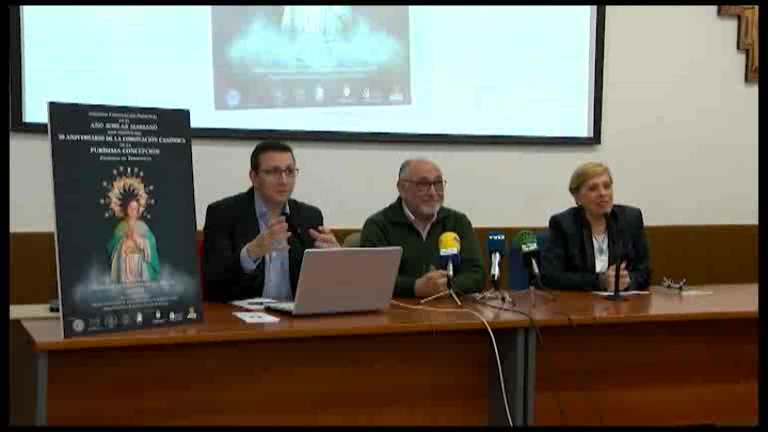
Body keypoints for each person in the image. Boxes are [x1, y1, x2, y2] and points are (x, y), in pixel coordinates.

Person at [202, 140, 340, 303]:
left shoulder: (309, 217)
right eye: (273, 172)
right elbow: (213, 285)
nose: (283, 180)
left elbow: (320, 287)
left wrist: (336, 260)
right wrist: (250, 254)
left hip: (295, 319)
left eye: (289, 171)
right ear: (254, 177)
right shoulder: (223, 214)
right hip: (242, 319)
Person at [360, 159, 484, 298]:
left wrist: (446, 286)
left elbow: (476, 275)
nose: (432, 193)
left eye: (438, 184)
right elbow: (375, 280)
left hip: (450, 311)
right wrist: (415, 287)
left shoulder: (457, 222)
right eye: (423, 184)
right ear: (402, 188)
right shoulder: (378, 226)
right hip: (398, 314)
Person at [540, 162, 651, 292]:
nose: (603, 193)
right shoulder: (563, 224)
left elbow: (644, 272)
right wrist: (600, 281)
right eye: (593, 188)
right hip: (579, 307)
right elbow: (550, 277)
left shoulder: (630, 219)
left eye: (607, 186)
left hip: (623, 306)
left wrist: (627, 280)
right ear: (577, 196)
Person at [108, 192, 160, 284]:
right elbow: (112, 245)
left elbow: (152, 242)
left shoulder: (142, 226)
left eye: (135, 208)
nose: (132, 210)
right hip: (125, 264)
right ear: (126, 209)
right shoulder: (121, 226)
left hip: (140, 264)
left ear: (138, 210)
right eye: (130, 208)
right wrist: (124, 241)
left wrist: (142, 241)